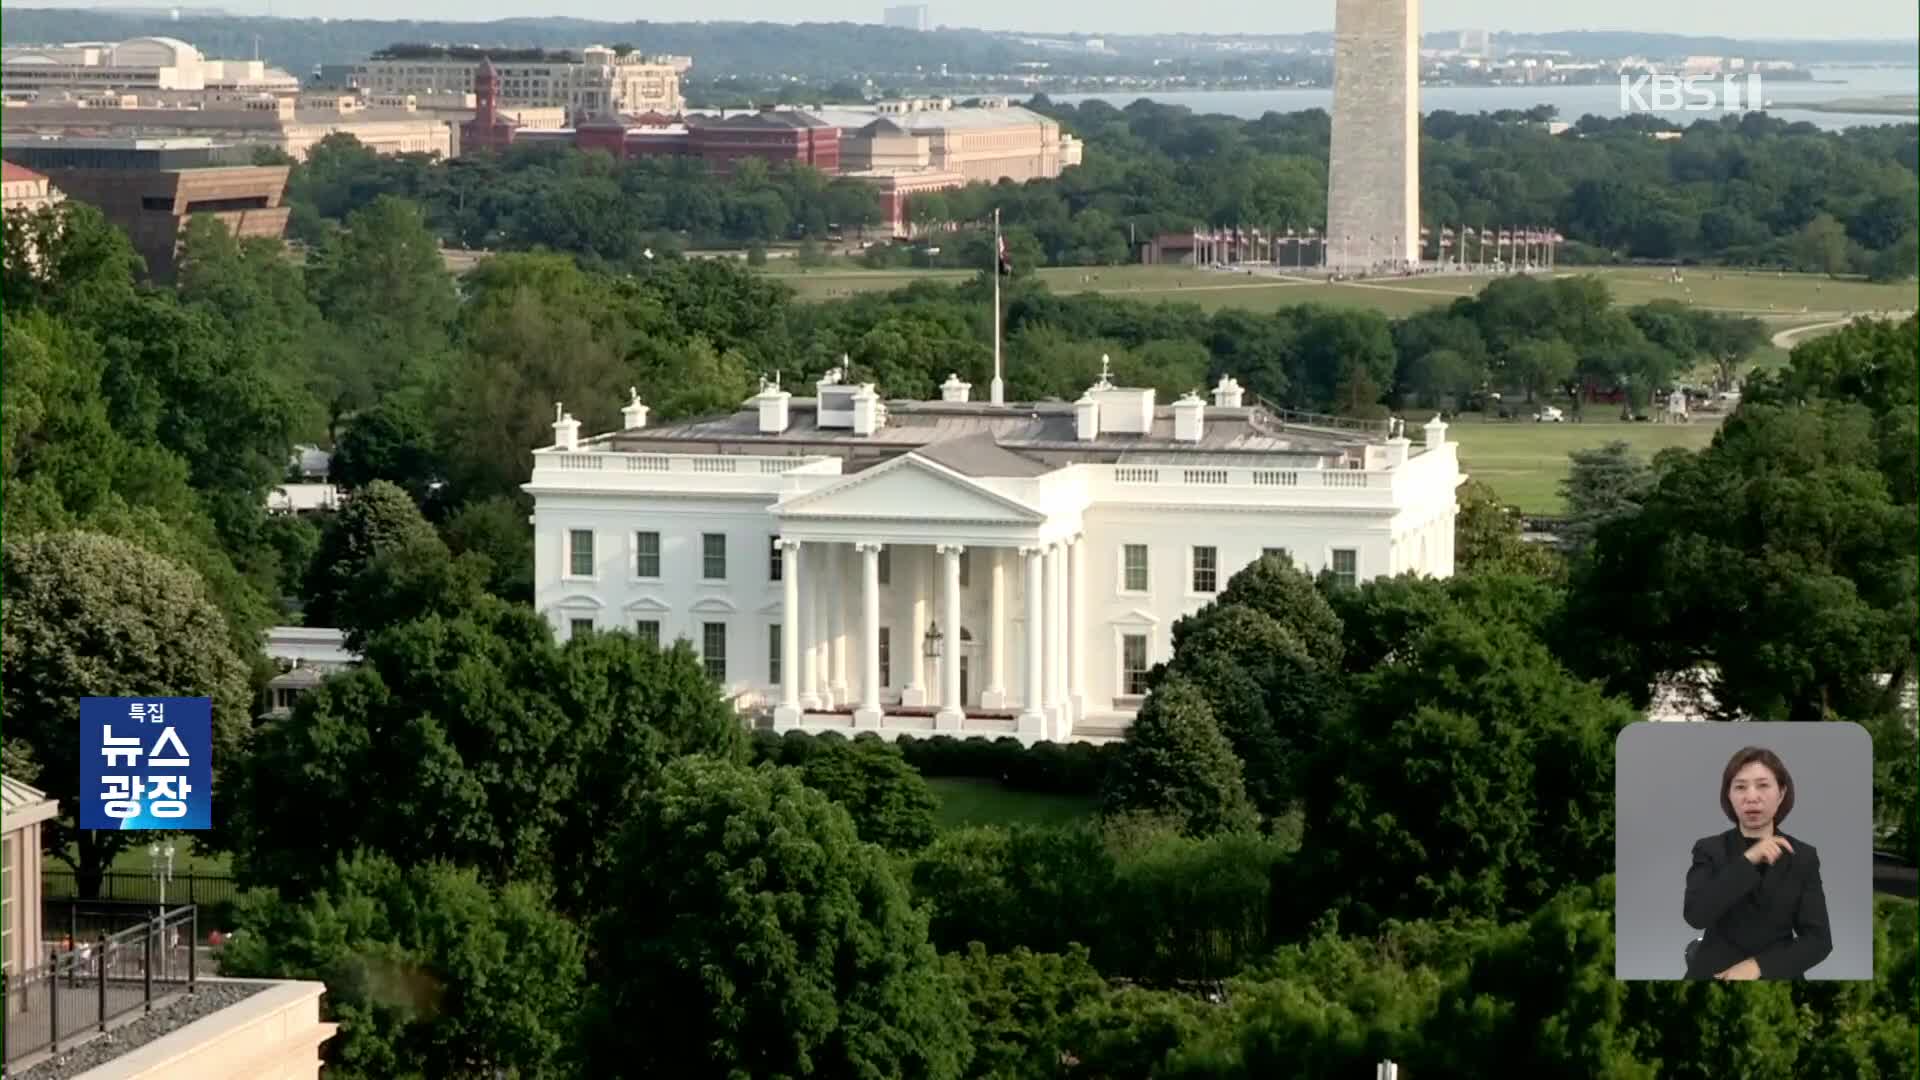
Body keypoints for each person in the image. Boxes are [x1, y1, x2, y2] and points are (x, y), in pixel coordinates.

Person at [1682, 746, 1832, 980]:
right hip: (1713, 972)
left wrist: (1757, 966)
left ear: (1781, 793)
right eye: (1740, 787)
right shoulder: (1709, 849)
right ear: (1729, 796)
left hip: (1776, 973)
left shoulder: (1803, 856)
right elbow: (1695, 916)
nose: (1752, 797)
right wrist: (1748, 860)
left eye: (1763, 785)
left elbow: (1819, 940)